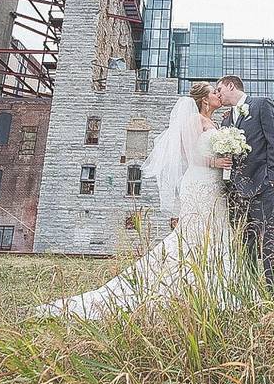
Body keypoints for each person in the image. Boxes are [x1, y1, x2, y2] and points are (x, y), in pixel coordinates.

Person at [36, 82, 238, 319]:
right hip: (199, 183)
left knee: (216, 232)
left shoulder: (216, 122)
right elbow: (189, 154)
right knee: (194, 234)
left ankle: (216, 286)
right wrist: (215, 163)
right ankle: (178, 284)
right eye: (215, 92)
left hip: (214, 185)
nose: (218, 95)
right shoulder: (194, 120)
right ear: (205, 100)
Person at [216, 74, 274, 288]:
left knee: (269, 239)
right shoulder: (225, 118)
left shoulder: (260, 104)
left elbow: (272, 141)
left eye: (219, 89)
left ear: (231, 86)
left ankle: (271, 290)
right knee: (244, 242)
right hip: (237, 193)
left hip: (263, 185)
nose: (218, 94)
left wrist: (271, 178)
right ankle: (250, 289)